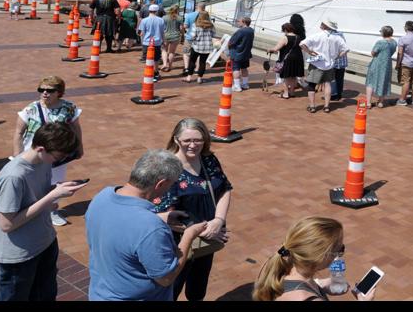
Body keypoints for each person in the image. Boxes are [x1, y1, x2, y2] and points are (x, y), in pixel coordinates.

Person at [84, 149, 210, 301]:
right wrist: (189, 235)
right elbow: (166, 278)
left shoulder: (102, 197)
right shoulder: (151, 227)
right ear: (160, 184)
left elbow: (123, 226)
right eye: (171, 184)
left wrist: (160, 217)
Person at [0, 122, 85, 302]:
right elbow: (6, 224)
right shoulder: (13, 177)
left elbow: (36, 197)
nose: (62, 159)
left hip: (45, 242)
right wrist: (51, 197)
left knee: (46, 296)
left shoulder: (44, 162)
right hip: (19, 256)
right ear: (41, 148)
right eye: (60, 155)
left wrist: (56, 189)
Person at [152, 118, 234, 301]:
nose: (193, 145)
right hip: (176, 244)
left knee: (197, 290)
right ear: (176, 140)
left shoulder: (209, 160)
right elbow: (160, 213)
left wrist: (219, 220)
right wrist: (206, 230)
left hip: (207, 241)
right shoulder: (166, 168)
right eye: (187, 140)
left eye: (198, 140)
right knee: (169, 290)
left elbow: (224, 189)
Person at [253, 216, 377, 302]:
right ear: (321, 257)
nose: (339, 255)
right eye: (340, 249)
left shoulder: (280, 267)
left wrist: (319, 285)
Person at [14, 76, 84, 227]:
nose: (45, 93)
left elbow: (75, 127)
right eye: (42, 89)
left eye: (50, 90)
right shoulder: (31, 109)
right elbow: (19, 133)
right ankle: (32, 210)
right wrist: (17, 157)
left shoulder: (69, 108)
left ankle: (52, 211)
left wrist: (79, 146)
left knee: (55, 182)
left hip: (57, 154)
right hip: (34, 155)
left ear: (59, 92)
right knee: (33, 183)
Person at [301, 21, 345, 112]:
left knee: (312, 85)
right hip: (329, 64)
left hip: (317, 63)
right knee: (327, 84)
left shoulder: (317, 35)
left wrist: (309, 52)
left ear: (325, 26)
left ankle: (312, 106)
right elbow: (346, 49)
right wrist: (337, 56)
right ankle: (326, 106)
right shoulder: (337, 38)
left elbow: (302, 44)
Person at [392, 20, 413, 106]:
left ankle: (402, 100)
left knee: (406, 81)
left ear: (406, 27)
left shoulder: (403, 39)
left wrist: (398, 64)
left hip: (406, 63)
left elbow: (400, 53)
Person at [365, 25, 398, 107]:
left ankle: (368, 103)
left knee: (370, 82)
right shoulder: (394, 42)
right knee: (384, 81)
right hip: (387, 64)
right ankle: (381, 102)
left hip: (377, 63)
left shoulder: (380, 42)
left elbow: (373, 53)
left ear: (384, 33)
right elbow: (391, 52)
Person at [183, 14, 219, 83]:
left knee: (192, 61)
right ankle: (199, 78)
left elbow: (193, 36)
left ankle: (189, 77)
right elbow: (214, 35)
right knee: (202, 63)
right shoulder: (211, 25)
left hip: (197, 46)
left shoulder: (195, 25)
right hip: (207, 47)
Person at [225, 15, 256, 93]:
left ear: (244, 22)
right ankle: (245, 84)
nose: (238, 22)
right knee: (244, 68)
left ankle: (237, 86)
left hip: (237, 53)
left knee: (236, 69)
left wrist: (228, 47)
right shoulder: (251, 31)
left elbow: (232, 42)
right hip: (246, 53)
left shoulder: (240, 31)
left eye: (239, 21)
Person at [273, 22, 303, 98]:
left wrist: (269, 50)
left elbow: (276, 48)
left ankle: (286, 93)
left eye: (283, 30)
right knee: (293, 76)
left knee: (285, 76)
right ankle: (292, 92)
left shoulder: (285, 38)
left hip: (288, 59)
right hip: (297, 58)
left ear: (286, 29)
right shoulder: (298, 37)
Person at [161, 4, 184, 72]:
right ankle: (170, 66)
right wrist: (182, 35)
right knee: (172, 52)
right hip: (175, 36)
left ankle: (165, 64)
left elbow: (162, 27)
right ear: (178, 10)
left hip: (166, 35)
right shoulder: (180, 18)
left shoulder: (164, 17)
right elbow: (181, 28)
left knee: (164, 50)